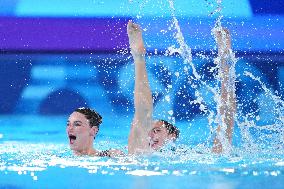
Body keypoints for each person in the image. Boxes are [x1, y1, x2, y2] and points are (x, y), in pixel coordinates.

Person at [127, 20, 236, 155]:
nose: (149, 134)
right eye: (148, 130)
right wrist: (138, 56)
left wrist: (226, 64)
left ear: (171, 137)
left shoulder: (196, 158)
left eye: (156, 130)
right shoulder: (139, 152)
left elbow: (227, 120)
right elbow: (142, 110)